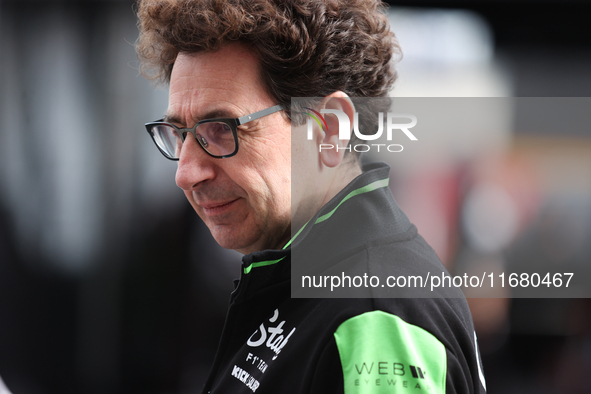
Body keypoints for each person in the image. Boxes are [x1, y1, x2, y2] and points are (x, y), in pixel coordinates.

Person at [136, 0, 487, 392]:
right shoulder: (317, 283)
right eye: (180, 133)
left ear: (330, 131)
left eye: (221, 129)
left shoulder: (373, 314)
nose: (186, 173)